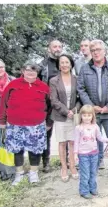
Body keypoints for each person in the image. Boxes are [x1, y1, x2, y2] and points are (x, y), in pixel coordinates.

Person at [0, 63, 52, 185]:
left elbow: (50, 107)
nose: (31, 73)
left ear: (37, 73)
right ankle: (19, 173)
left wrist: (49, 122)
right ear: (23, 71)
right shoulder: (13, 84)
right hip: (15, 124)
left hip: (36, 125)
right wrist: (2, 120)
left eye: (34, 70)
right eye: (28, 70)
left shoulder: (44, 87)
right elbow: (3, 103)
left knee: (35, 150)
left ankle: (33, 173)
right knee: (17, 150)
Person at [77, 39, 108, 177]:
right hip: (93, 114)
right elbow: (81, 89)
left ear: (104, 51)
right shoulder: (84, 68)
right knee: (94, 140)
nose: (96, 53)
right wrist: (90, 107)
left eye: (98, 50)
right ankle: (95, 167)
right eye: (93, 50)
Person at [74, 105, 108, 199]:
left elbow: (100, 138)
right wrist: (75, 154)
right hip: (83, 155)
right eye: (84, 115)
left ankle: (93, 188)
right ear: (81, 116)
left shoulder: (95, 126)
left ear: (92, 116)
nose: (87, 117)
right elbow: (76, 142)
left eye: (89, 115)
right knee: (85, 174)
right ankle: (84, 191)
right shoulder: (78, 128)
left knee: (93, 172)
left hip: (94, 154)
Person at [49, 54, 81, 182]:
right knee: (62, 143)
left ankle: (72, 166)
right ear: (59, 65)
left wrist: (73, 111)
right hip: (60, 116)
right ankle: (63, 167)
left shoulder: (77, 79)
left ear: (71, 64)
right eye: (62, 62)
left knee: (73, 142)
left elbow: (80, 98)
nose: (64, 65)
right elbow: (54, 100)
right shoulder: (53, 80)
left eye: (66, 62)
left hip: (74, 116)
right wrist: (65, 111)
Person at [38, 39, 63, 173]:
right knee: (46, 134)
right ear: (49, 49)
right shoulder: (42, 65)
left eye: (59, 46)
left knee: (66, 133)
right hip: (47, 106)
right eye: (55, 46)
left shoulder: (65, 63)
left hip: (63, 104)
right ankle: (46, 162)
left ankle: (66, 160)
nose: (57, 49)